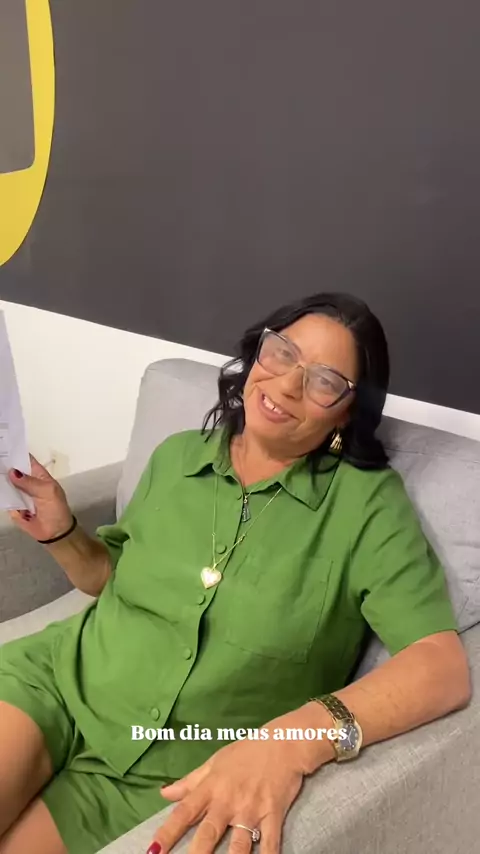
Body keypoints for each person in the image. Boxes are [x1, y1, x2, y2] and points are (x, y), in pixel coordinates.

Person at [0, 292, 470, 854]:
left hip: (166, 773)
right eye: (283, 353)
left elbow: (441, 669)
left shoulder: (367, 506)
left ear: (346, 412)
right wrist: (61, 532)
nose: (287, 385)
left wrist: (292, 741)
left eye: (324, 381)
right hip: (57, 685)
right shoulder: (179, 457)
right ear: (257, 353)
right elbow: (112, 577)